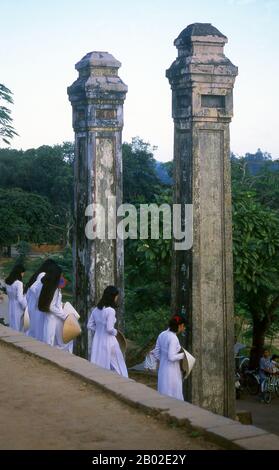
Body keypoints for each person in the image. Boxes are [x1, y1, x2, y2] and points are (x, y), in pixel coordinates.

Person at [87, 286, 128, 377]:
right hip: (110, 341)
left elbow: (89, 325)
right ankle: (123, 381)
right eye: (116, 296)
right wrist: (116, 332)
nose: (117, 298)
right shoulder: (110, 311)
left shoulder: (96, 310)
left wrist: (99, 330)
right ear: (113, 296)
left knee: (100, 362)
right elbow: (109, 329)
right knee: (118, 363)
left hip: (98, 341)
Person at [151, 315, 186, 401]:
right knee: (173, 394)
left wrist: (163, 360)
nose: (184, 328)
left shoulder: (162, 334)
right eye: (184, 326)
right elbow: (171, 357)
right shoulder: (173, 338)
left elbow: (156, 352)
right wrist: (183, 355)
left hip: (163, 369)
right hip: (172, 371)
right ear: (180, 326)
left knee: (163, 392)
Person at [38, 264, 70, 350]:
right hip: (54, 317)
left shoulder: (48, 286)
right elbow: (51, 306)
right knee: (51, 341)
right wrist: (65, 316)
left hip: (52, 317)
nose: (62, 276)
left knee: (51, 340)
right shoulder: (53, 288)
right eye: (61, 274)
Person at [25, 259, 58, 340]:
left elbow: (30, 290)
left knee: (34, 329)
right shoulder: (43, 275)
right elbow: (35, 289)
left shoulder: (38, 274)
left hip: (32, 305)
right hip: (37, 307)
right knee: (38, 331)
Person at [5, 263, 27, 331]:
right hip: (18, 306)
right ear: (20, 273)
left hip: (11, 304)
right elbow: (20, 298)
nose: (23, 275)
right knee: (18, 326)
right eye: (23, 273)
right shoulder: (19, 283)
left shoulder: (8, 282)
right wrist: (26, 306)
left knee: (12, 324)